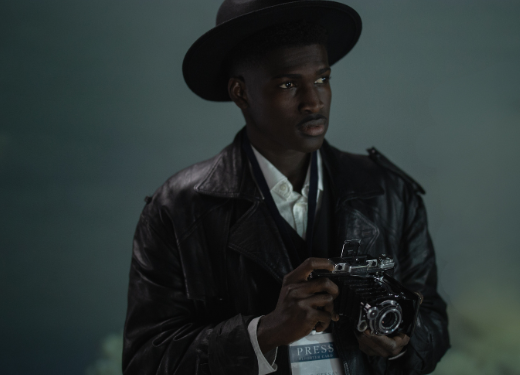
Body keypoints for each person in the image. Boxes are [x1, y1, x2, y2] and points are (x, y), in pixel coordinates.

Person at [122, 1, 450, 374]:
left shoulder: (392, 194)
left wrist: (397, 345)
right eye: (289, 84)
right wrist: (262, 333)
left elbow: (435, 321)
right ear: (241, 93)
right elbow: (144, 362)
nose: (314, 101)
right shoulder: (176, 210)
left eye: (323, 79)